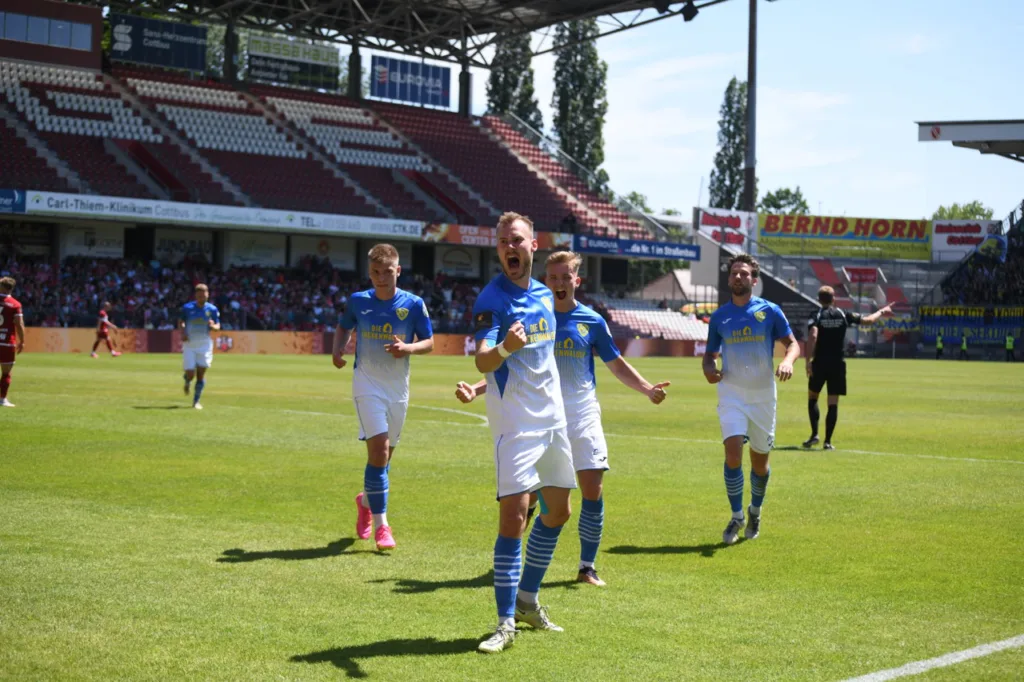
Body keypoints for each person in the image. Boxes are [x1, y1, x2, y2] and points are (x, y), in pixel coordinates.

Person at [456, 250, 669, 589]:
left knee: (593, 488)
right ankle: (516, 558)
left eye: (565, 276)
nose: (558, 282)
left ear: (576, 280)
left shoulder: (592, 321)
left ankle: (587, 566)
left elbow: (615, 364)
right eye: (552, 277)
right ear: (546, 280)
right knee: (537, 497)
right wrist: (477, 389)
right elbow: (518, 368)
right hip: (541, 415)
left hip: (582, 414)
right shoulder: (535, 314)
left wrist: (646, 389)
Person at [470, 212, 576, 654]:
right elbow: (482, 359)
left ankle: (528, 600)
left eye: (516, 240)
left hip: (553, 420)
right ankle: (504, 623)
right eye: (502, 242)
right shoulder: (492, 298)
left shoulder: (546, 295)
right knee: (513, 520)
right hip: (514, 424)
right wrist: (504, 348)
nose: (508, 247)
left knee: (558, 512)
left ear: (534, 245)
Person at [332, 244, 434, 552]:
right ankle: (382, 526)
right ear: (369, 272)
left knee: (384, 459)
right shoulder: (358, 301)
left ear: (398, 271)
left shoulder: (413, 304)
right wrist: (338, 348)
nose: (381, 277)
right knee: (378, 453)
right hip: (367, 385)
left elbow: (429, 342)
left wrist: (408, 348)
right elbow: (343, 326)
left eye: (387, 271)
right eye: (375, 272)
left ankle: (365, 501)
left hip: (397, 390)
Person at [702, 254, 800, 545]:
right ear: (729, 278)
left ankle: (755, 510)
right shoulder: (719, 317)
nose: (738, 277)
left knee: (760, 463)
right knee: (733, 454)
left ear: (754, 280)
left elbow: (793, 344)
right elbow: (710, 355)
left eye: (744, 273)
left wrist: (788, 361)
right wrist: (709, 369)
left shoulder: (770, 311)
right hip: (731, 393)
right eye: (734, 272)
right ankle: (736, 516)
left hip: (763, 397)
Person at [802, 287, 892, 450]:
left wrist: (808, 361)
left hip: (820, 362)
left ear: (819, 299)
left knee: (813, 397)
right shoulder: (843, 314)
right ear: (833, 299)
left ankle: (814, 435)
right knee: (833, 402)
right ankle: (827, 442)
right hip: (837, 364)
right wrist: (882, 311)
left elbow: (813, 335)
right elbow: (868, 320)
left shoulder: (816, 315)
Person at [179, 283, 221, 410]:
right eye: (200, 296)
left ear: (208, 295)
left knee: (201, 374)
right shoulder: (187, 308)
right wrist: (183, 332)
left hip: (204, 345)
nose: (202, 298)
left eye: (204, 295)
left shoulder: (212, 309)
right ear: (196, 296)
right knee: (191, 373)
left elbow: (218, 326)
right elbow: (181, 321)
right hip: (190, 344)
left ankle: (196, 401)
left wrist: (213, 326)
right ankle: (187, 379)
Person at [0, 276, 25, 408]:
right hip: (7, 342)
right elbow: (19, 324)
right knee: (6, 373)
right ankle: (2, 399)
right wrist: (22, 341)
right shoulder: (15, 304)